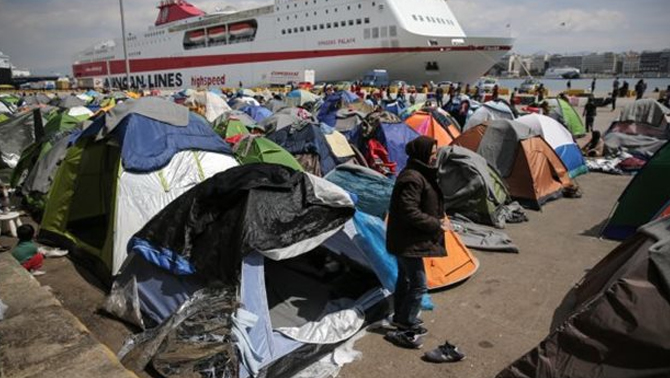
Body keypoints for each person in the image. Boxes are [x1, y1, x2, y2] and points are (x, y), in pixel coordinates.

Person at [385, 136, 446, 348]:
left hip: (407, 239)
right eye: (432, 153)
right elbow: (408, 210)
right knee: (419, 284)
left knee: (406, 280)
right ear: (422, 154)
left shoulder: (417, 173)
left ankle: (401, 317)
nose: (435, 156)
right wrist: (435, 224)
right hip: (406, 241)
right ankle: (406, 322)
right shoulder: (412, 178)